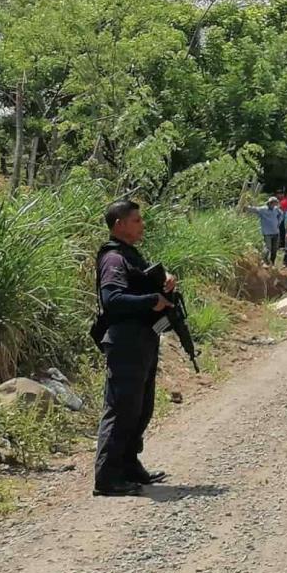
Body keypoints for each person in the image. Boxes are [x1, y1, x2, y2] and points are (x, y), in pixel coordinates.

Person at [92, 200, 175, 497]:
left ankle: (129, 465)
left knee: (140, 408)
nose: (142, 225)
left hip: (142, 340)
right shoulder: (113, 259)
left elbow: (140, 285)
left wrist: (164, 285)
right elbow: (112, 299)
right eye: (136, 220)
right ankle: (107, 478)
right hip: (125, 342)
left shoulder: (130, 256)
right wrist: (151, 301)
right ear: (119, 225)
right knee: (121, 409)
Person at [246, 197, 283, 265]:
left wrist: (279, 222)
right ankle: (264, 260)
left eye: (276, 203)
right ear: (270, 203)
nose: (275, 205)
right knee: (267, 247)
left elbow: (281, 214)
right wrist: (246, 207)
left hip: (276, 232)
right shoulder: (263, 209)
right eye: (274, 203)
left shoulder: (276, 209)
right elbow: (254, 209)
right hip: (267, 232)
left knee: (274, 249)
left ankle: (272, 262)